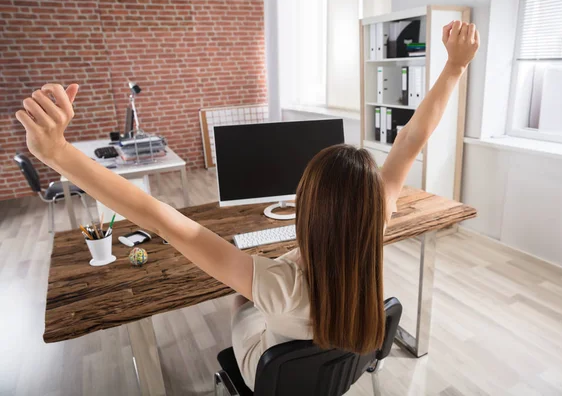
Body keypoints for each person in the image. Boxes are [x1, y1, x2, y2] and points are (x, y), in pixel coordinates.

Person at [16, 20, 479, 390]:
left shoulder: (278, 284)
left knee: (240, 302)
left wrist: (59, 153)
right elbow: (413, 138)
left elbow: (160, 217)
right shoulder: (373, 224)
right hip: (339, 365)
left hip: (270, 372)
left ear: (309, 212)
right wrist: (455, 67)